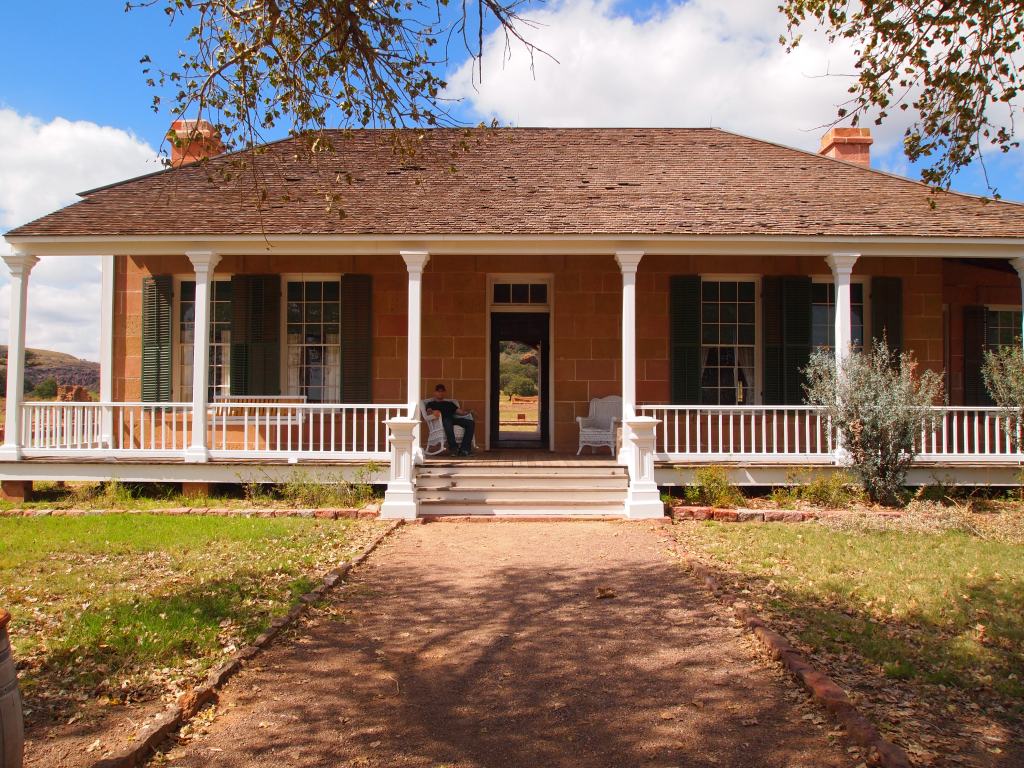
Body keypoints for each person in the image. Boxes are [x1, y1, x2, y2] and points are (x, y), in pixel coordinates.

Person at [425, 383, 475, 456]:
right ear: (435, 392)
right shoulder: (431, 403)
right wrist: (434, 411)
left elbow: (461, 412)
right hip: (441, 421)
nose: (440, 393)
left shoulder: (449, 403)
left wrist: (470, 411)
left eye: (442, 391)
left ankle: (465, 449)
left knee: (470, 423)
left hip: (452, 419)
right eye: (438, 391)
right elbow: (429, 412)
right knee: (447, 421)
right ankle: (453, 448)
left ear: (444, 392)